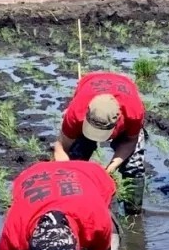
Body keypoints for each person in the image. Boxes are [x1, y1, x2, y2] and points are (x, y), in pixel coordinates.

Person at [52, 71, 147, 214]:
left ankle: (133, 211)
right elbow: (60, 148)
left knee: (135, 166)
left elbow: (130, 141)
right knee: (75, 158)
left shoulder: (133, 112)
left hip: (124, 89)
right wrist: (68, 174)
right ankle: (70, 206)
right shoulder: (76, 113)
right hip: (89, 87)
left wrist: (109, 169)